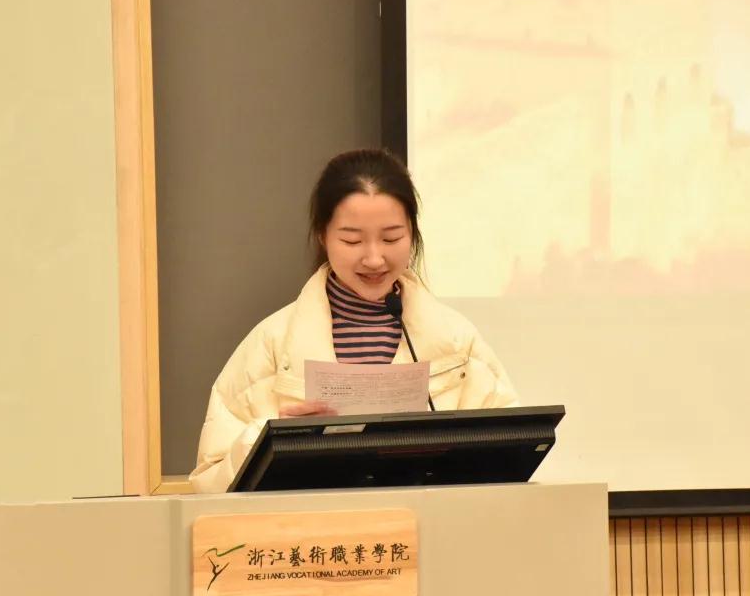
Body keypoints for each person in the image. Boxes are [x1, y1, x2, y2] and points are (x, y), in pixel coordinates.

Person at [189, 148, 519, 493]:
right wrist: (270, 440)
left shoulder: (458, 341)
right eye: (352, 240)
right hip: (312, 525)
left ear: (413, 233)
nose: (374, 259)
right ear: (323, 235)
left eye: (391, 238)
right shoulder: (271, 344)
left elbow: (510, 455)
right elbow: (208, 483)